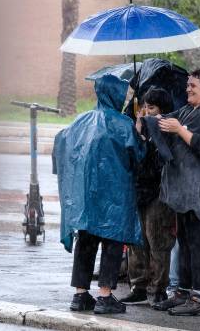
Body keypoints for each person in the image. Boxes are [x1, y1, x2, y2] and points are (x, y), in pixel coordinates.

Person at [53, 74, 145, 314]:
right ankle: (105, 296)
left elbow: (62, 144)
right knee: (112, 242)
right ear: (113, 94)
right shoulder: (123, 124)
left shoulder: (80, 121)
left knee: (85, 240)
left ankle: (80, 295)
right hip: (114, 194)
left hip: (85, 195)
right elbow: (138, 157)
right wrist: (140, 133)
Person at [154, 68, 200, 316]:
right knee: (184, 243)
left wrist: (180, 130)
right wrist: (148, 119)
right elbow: (166, 120)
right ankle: (183, 293)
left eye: (194, 86)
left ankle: (199, 298)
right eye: (188, 85)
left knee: (197, 245)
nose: (188, 89)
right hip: (183, 192)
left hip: (199, 192)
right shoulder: (187, 110)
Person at [120, 87, 176, 308]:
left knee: (158, 241)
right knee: (137, 240)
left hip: (159, 193)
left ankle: (160, 288)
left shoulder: (167, 132)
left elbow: (163, 161)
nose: (145, 111)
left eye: (151, 107)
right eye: (144, 106)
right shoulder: (138, 128)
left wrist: (148, 138)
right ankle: (138, 286)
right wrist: (138, 136)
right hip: (139, 191)